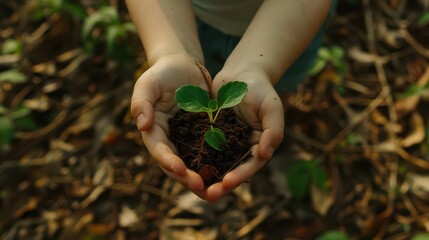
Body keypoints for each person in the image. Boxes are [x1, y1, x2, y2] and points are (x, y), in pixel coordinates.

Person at [126, 0, 336, 203]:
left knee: (272, 95)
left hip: (292, 27)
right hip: (187, 24)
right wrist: (171, 53)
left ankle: (275, 141)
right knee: (228, 87)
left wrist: (255, 67)